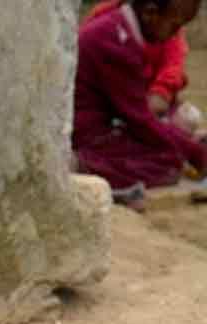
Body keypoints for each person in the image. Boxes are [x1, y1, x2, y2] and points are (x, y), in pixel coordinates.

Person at [74, 0, 207, 205]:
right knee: (167, 161)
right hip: (88, 136)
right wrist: (194, 153)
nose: (175, 35)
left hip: (105, 125)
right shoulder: (116, 42)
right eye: (174, 26)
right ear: (150, 13)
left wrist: (184, 143)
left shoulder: (117, 28)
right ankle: (84, 165)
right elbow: (139, 120)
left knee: (174, 136)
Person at [84, 0, 192, 123]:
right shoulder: (104, 16)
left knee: (189, 118)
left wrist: (161, 92)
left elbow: (173, 65)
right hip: (112, 104)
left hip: (149, 102)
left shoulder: (167, 21)